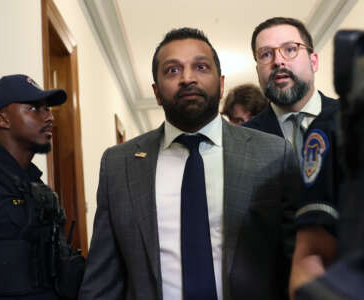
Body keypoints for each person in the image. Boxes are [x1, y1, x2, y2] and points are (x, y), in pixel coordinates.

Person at [79, 27, 301, 300]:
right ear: (156, 92)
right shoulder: (118, 164)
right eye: (172, 70)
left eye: (201, 67)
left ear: (221, 85)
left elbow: (298, 262)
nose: (187, 78)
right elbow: (103, 277)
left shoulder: (273, 154)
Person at [0, 74, 67, 300]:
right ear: (2, 120)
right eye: (33, 108)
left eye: (47, 109)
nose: (48, 116)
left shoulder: (36, 187)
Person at [243, 17, 338, 165]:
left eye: (290, 49)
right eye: (266, 54)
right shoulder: (241, 141)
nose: (278, 61)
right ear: (257, 71)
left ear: (313, 62)